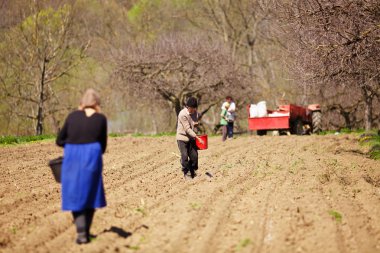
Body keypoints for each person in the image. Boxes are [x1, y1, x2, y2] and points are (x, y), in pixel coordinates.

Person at [56, 88, 107, 244]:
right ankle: (86, 231)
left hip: (72, 156)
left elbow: (59, 140)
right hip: (92, 155)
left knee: (74, 193)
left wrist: (72, 145)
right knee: (91, 192)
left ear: (82, 103)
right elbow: (103, 145)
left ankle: (81, 233)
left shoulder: (72, 116)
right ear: (97, 104)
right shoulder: (101, 119)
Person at [176, 97, 204, 179]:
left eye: (194, 108)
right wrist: (197, 137)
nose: (192, 110)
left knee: (194, 156)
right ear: (187, 107)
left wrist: (196, 124)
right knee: (184, 155)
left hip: (191, 138)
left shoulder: (195, 113)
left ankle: (193, 170)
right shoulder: (182, 114)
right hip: (182, 138)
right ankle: (186, 172)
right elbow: (187, 129)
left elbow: (193, 123)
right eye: (190, 108)